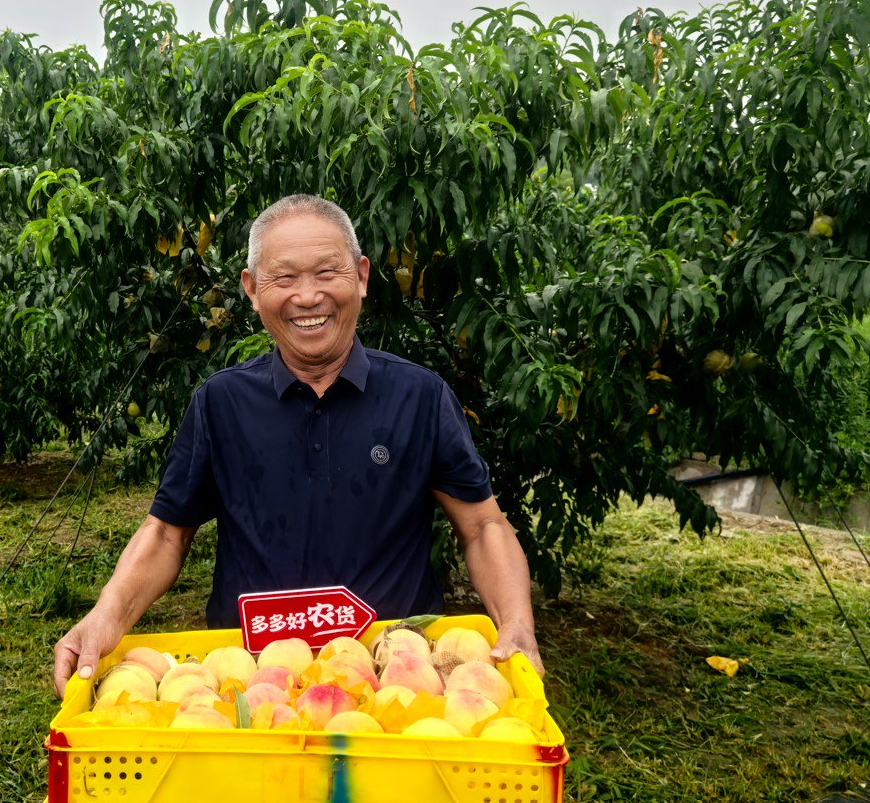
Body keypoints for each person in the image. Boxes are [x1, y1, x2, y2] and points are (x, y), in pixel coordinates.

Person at [52, 194, 543, 697]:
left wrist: (517, 624)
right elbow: (165, 534)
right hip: (245, 681)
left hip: (395, 681)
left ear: (362, 276)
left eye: (327, 273)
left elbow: (483, 525)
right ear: (251, 289)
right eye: (284, 278)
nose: (307, 297)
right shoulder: (221, 403)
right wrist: (104, 618)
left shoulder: (419, 397)